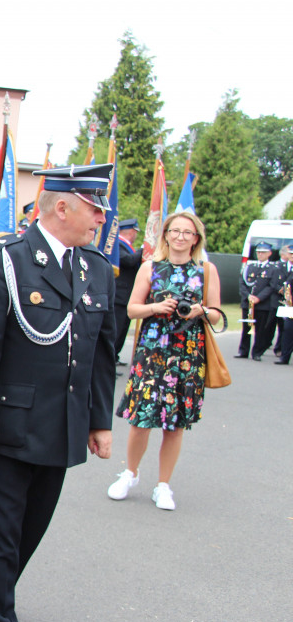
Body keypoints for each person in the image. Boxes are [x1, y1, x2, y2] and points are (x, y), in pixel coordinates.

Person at [0, 163, 116, 622]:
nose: (102, 216)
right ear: (63, 206)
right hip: (8, 424)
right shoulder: (6, 260)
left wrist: (99, 421)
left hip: (64, 424)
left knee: (31, 528)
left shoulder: (96, 268)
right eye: (95, 206)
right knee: (1, 531)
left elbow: (100, 352)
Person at [109, 211, 222, 510]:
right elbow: (132, 309)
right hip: (152, 352)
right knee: (141, 418)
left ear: (196, 238)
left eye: (188, 232)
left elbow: (217, 314)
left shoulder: (207, 270)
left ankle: (163, 485)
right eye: (175, 231)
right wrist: (156, 306)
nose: (181, 237)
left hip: (187, 356)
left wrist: (200, 310)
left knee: (175, 424)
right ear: (166, 234)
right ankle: (130, 473)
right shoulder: (150, 268)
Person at [236, 242, 280, 361]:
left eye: (263, 252)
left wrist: (258, 298)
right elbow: (242, 283)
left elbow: (271, 286)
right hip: (248, 303)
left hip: (262, 304)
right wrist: (248, 296)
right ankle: (243, 350)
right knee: (246, 328)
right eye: (258, 252)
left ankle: (257, 352)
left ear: (269, 254)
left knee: (260, 329)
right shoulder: (249, 267)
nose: (260, 254)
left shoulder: (272, 269)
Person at [113, 218, 141, 365]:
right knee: (117, 328)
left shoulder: (127, 245)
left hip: (127, 295)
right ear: (131, 231)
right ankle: (110, 358)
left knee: (123, 328)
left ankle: (115, 356)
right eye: (135, 231)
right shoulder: (118, 244)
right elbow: (128, 261)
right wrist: (144, 249)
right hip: (119, 294)